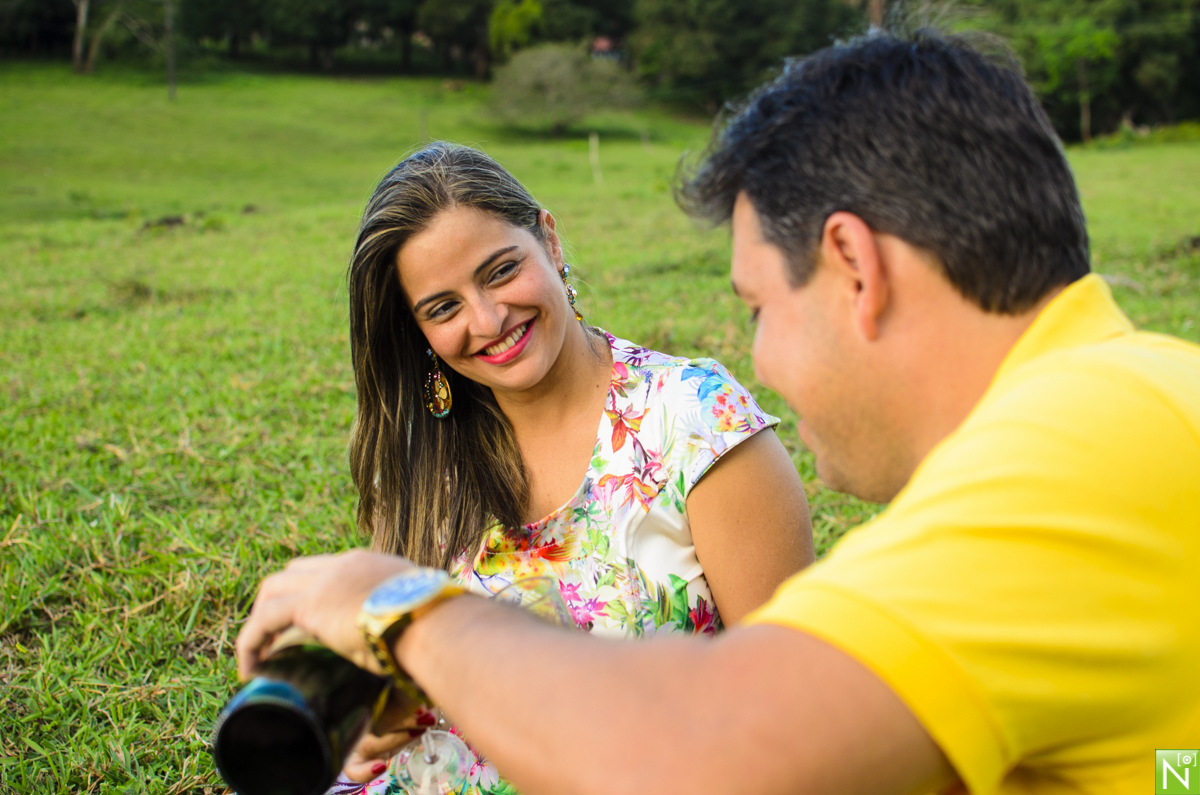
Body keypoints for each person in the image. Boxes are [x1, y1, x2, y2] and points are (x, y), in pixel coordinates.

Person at [237, 32, 1200, 795]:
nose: (760, 358)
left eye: (758, 306)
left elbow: (718, 752)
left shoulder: (1056, 476)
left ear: (854, 267)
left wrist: (401, 607)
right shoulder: (1133, 401)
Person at [326, 143, 813, 790]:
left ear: (549, 241)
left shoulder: (695, 420)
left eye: (501, 271)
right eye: (443, 308)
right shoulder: (424, 456)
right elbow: (399, 674)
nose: (488, 320)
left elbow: (787, 702)